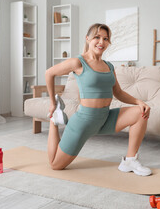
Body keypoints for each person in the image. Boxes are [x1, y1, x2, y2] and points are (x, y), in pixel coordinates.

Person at [45, 23, 151, 176]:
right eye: (97, 37)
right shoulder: (78, 62)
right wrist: (52, 104)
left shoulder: (109, 66)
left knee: (140, 112)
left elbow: (119, 93)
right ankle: (54, 121)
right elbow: (49, 73)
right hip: (83, 123)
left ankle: (129, 161)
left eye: (105, 39)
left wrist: (139, 102)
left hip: (104, 118)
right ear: (88, 39)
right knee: (55, 165)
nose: (101, 42)